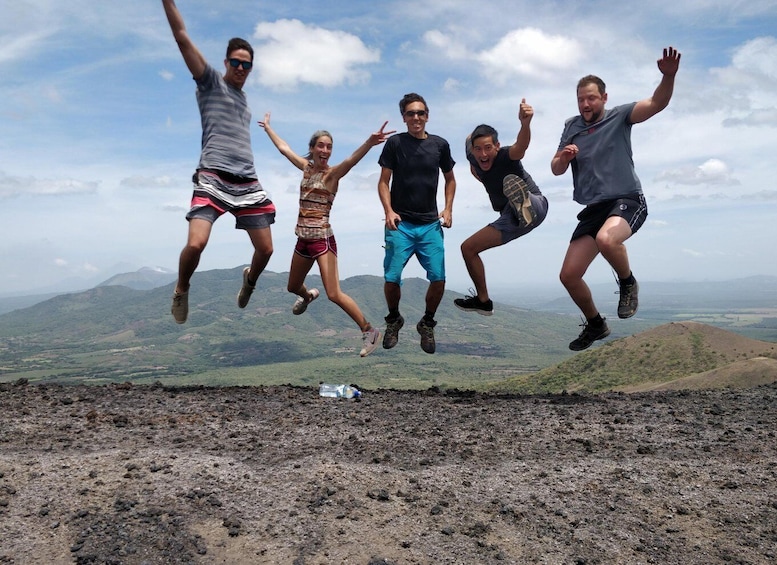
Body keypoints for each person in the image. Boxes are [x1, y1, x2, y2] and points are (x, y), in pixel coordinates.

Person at [551, 46, 681, 351]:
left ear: (604, 98)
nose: (585, 103)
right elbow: (556, 169)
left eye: (591, 98)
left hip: (627, 199)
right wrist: (565, 157)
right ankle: (596, 324)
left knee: (608, 239)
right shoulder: (571, 127)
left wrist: (669, 76)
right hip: (593, 208)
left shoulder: (620, 116)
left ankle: (627, 283)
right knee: (569, 275)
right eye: (581, 98)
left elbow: (657, 102)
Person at [163, 0, 275, 324]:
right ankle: (181, 289)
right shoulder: (210, 82)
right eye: (237, 63)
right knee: (196, 243)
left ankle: (249, 281)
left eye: (247, 65)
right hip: (213, 175)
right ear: (226, 62)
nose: (241, 69)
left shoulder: (245, 100)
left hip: (247, 180)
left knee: (266, 250)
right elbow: (181, 36)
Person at [258, 113, 395, 357]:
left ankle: (369, 331)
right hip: (303, 240)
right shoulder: (306, 168)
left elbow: (351, 160)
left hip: (322, 241)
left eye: (329, 147)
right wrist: (268, 128)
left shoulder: (332, 175)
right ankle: (309, 295)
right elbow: (284, 148)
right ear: (312, 149)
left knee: (333, 293)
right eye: (321, 145)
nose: (325, 150)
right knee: (292, 287)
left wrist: (369, 142)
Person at [378, 93, 456, 354]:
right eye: (410, 113)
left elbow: (450, 179)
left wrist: (448, 208)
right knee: (391, 277)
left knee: (438, 278)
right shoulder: (395, 144)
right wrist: (388, 211)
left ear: (427, 116)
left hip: (430, 224)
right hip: (400, 223)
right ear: (404, 117)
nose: (416, 117)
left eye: (420, 113)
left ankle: (427, 323)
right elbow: (383, 182)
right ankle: (394, 319)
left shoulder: (440, 145)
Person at [454, 99, 548, 316]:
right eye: (478, 149)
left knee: (516, 190)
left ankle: (523, 205)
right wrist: (477, 170)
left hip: (536, 204)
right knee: (467, 248)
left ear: (497, 146)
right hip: (509, 217)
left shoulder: (507, 155)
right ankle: (483, 302)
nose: (483, 154)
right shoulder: (476, 159)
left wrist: (525, 125)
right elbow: (469, 145)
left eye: (488, 147)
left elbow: (521, 147)